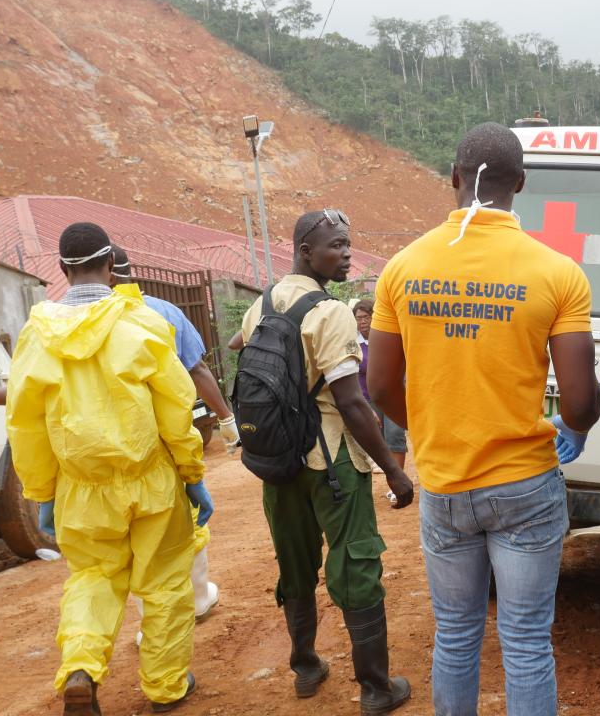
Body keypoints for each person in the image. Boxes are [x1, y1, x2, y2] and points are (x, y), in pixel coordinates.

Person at [368, 122, 600, 715]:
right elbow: (579, 402)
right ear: (521, 184)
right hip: (525, 482)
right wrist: (570, 431)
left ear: (451, 178)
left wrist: (428, 427)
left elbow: (378, 385)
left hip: (445, 481)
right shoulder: (558, 272)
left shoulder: (401, 268)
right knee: (525, 643)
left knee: (455, 636)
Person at [5, 222, 208, 714]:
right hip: (151, 481)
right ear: (111, 267)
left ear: (62, 270)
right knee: (164, 584)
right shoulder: (141, 324)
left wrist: (42, 493)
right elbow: (176, 407)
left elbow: (25, 425)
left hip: (81, 489)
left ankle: (81, 667)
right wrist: (192, 473)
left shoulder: (37, 336)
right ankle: (165, 687)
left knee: (94, 577)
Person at [239, 209, 413, 712]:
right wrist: (393, 469)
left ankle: (306, 668)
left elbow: (242, 348)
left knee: (295, 563)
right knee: (355, 563)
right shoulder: (331, 313)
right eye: (335, 245)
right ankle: (377, 690)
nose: (345, 254)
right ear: (304, 250)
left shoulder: (261, 303)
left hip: (276, 459)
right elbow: (352, 402)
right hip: (331, 460)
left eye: (348, 244)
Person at [111, 247, 233, 627]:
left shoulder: (74, 323)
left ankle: (147, 617)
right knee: (184, 521)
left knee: (129, 539)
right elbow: (197, 370)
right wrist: (227, 419)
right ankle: (196, 599)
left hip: (105, 451)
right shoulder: (164, 313)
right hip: (164, 445)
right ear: (131, 273)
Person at [353, 298, 408, 498]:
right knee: (377, 440)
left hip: (391, 394)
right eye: (358, 318)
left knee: (394, 436)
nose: (362, 322)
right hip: (366, 398)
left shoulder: (386, 337)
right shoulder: (354, 343)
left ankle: (396, 486)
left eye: (366, 317)